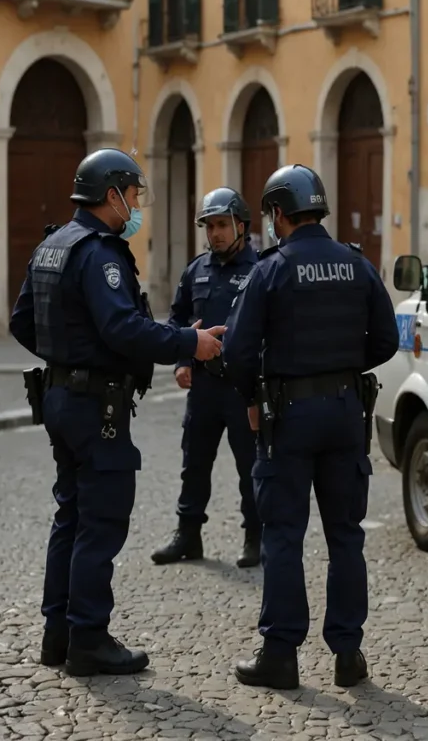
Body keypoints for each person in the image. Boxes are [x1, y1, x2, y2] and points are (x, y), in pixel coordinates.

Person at [9, 148, 227, 676]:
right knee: (100, 521)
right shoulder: (101, 253)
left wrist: (65, 359)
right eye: (132, 195)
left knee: (71, 514)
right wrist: (188, 343)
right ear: (111, 195)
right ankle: (88, 638)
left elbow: (22, 323)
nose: (135, 205)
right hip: (94, 405)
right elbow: (124, 329)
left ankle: (56, 634)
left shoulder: (53, 244)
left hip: (62, 399)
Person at [222, 164, 399, 690]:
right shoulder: (355, 263)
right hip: (346, 413)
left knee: (282, 535)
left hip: (288, 417)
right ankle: (348, 654)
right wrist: (343, 366)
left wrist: (255, 393)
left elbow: (235, 351)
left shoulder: (270, 270)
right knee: (345, 535)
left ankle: (280, 654)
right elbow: (386, 340)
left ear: (278, 213)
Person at [151, 188, 262, 569]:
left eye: (221, 225)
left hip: (243, 387)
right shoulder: (196, 270)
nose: (214, 233)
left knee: (251, 464)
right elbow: (179, 319)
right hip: (204, 387)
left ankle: (255, 536)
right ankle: (188, 534)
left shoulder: (261, 269)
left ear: (241, 226)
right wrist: (182, 359)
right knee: (194, 462)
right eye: (209, 226)